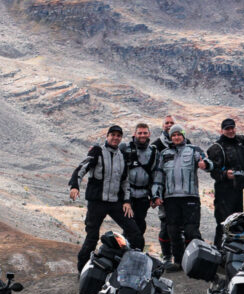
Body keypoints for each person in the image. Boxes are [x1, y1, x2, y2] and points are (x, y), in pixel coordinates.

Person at [69, 125, 144, 272]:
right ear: (107, 136)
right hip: (97, 202)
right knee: (92, 237)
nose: (115, 138)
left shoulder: (122, 156)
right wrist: (74, 186)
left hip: (115, 203)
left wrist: (127, 201)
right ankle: (82, 270)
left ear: (121, 138)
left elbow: (125, 181)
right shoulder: (97, 151)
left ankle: (132, 269)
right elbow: (82, 168)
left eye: (118, 135)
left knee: (135, 233)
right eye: (112, 135)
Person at [151, 125, 213, 271]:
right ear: (170, 137)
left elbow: (208, 163)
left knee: (192, 231)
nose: (176, 137)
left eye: (179, 134)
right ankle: (179, 262)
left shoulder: (193, 150)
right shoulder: (164, 154)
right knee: (173, 232)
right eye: (173, 135)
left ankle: (198, 262)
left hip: (190, 197)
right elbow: (159, 176)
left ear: (183, 136)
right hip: (171, 199)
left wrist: (205, 164)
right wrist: (156, 195)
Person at [149, 114, 186, 266]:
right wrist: (154, 194)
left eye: (172, 123)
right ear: (162, 126)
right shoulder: (156, 145)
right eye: (167, 123)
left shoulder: (185, 143)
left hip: (183, 193)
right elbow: (152, 171)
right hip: (164, 192)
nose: (169, 125)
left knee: (183, 227)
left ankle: (182, 258)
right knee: (166, 225)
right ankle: (166, 256)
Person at [207, 118, 244, 246]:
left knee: (239, 223)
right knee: (223, 224)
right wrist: (224, 174)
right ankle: (219, 252)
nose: (230, 131)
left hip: (238, 191)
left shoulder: (240, 142)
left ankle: (238, 252)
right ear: (222, 130)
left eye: (232, 128)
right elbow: (212, 171)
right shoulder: (216, 148)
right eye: (227, 129)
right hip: (223, 193)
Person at [120, 123, 158, 241]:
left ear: (149, 134)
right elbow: (109, 151)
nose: (142, 135)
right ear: (134, 134)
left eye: (145, 133)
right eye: (140, 133)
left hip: (143, 196)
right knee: (129, 224)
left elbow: (156, 175)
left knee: (140, 224)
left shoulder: (154, 152)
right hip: (128, 194)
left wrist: (154, 195)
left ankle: (136, 248)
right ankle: (125, 247)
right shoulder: (124, 148)